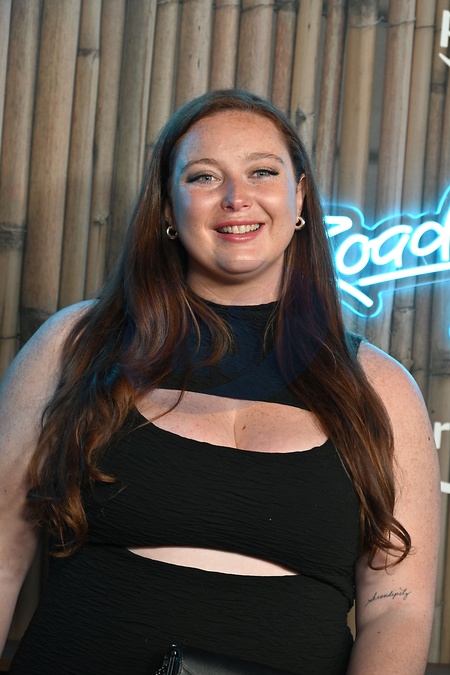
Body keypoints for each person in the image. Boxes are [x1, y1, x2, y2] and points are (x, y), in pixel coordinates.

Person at [0, 89, 440, 674]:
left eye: (262, 172)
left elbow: (397, 609)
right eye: (204, 176)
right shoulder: (74, 343)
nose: (237, 197)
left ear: (299, 197)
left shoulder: (381, 388)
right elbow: (3, 552)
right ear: (167, 207)